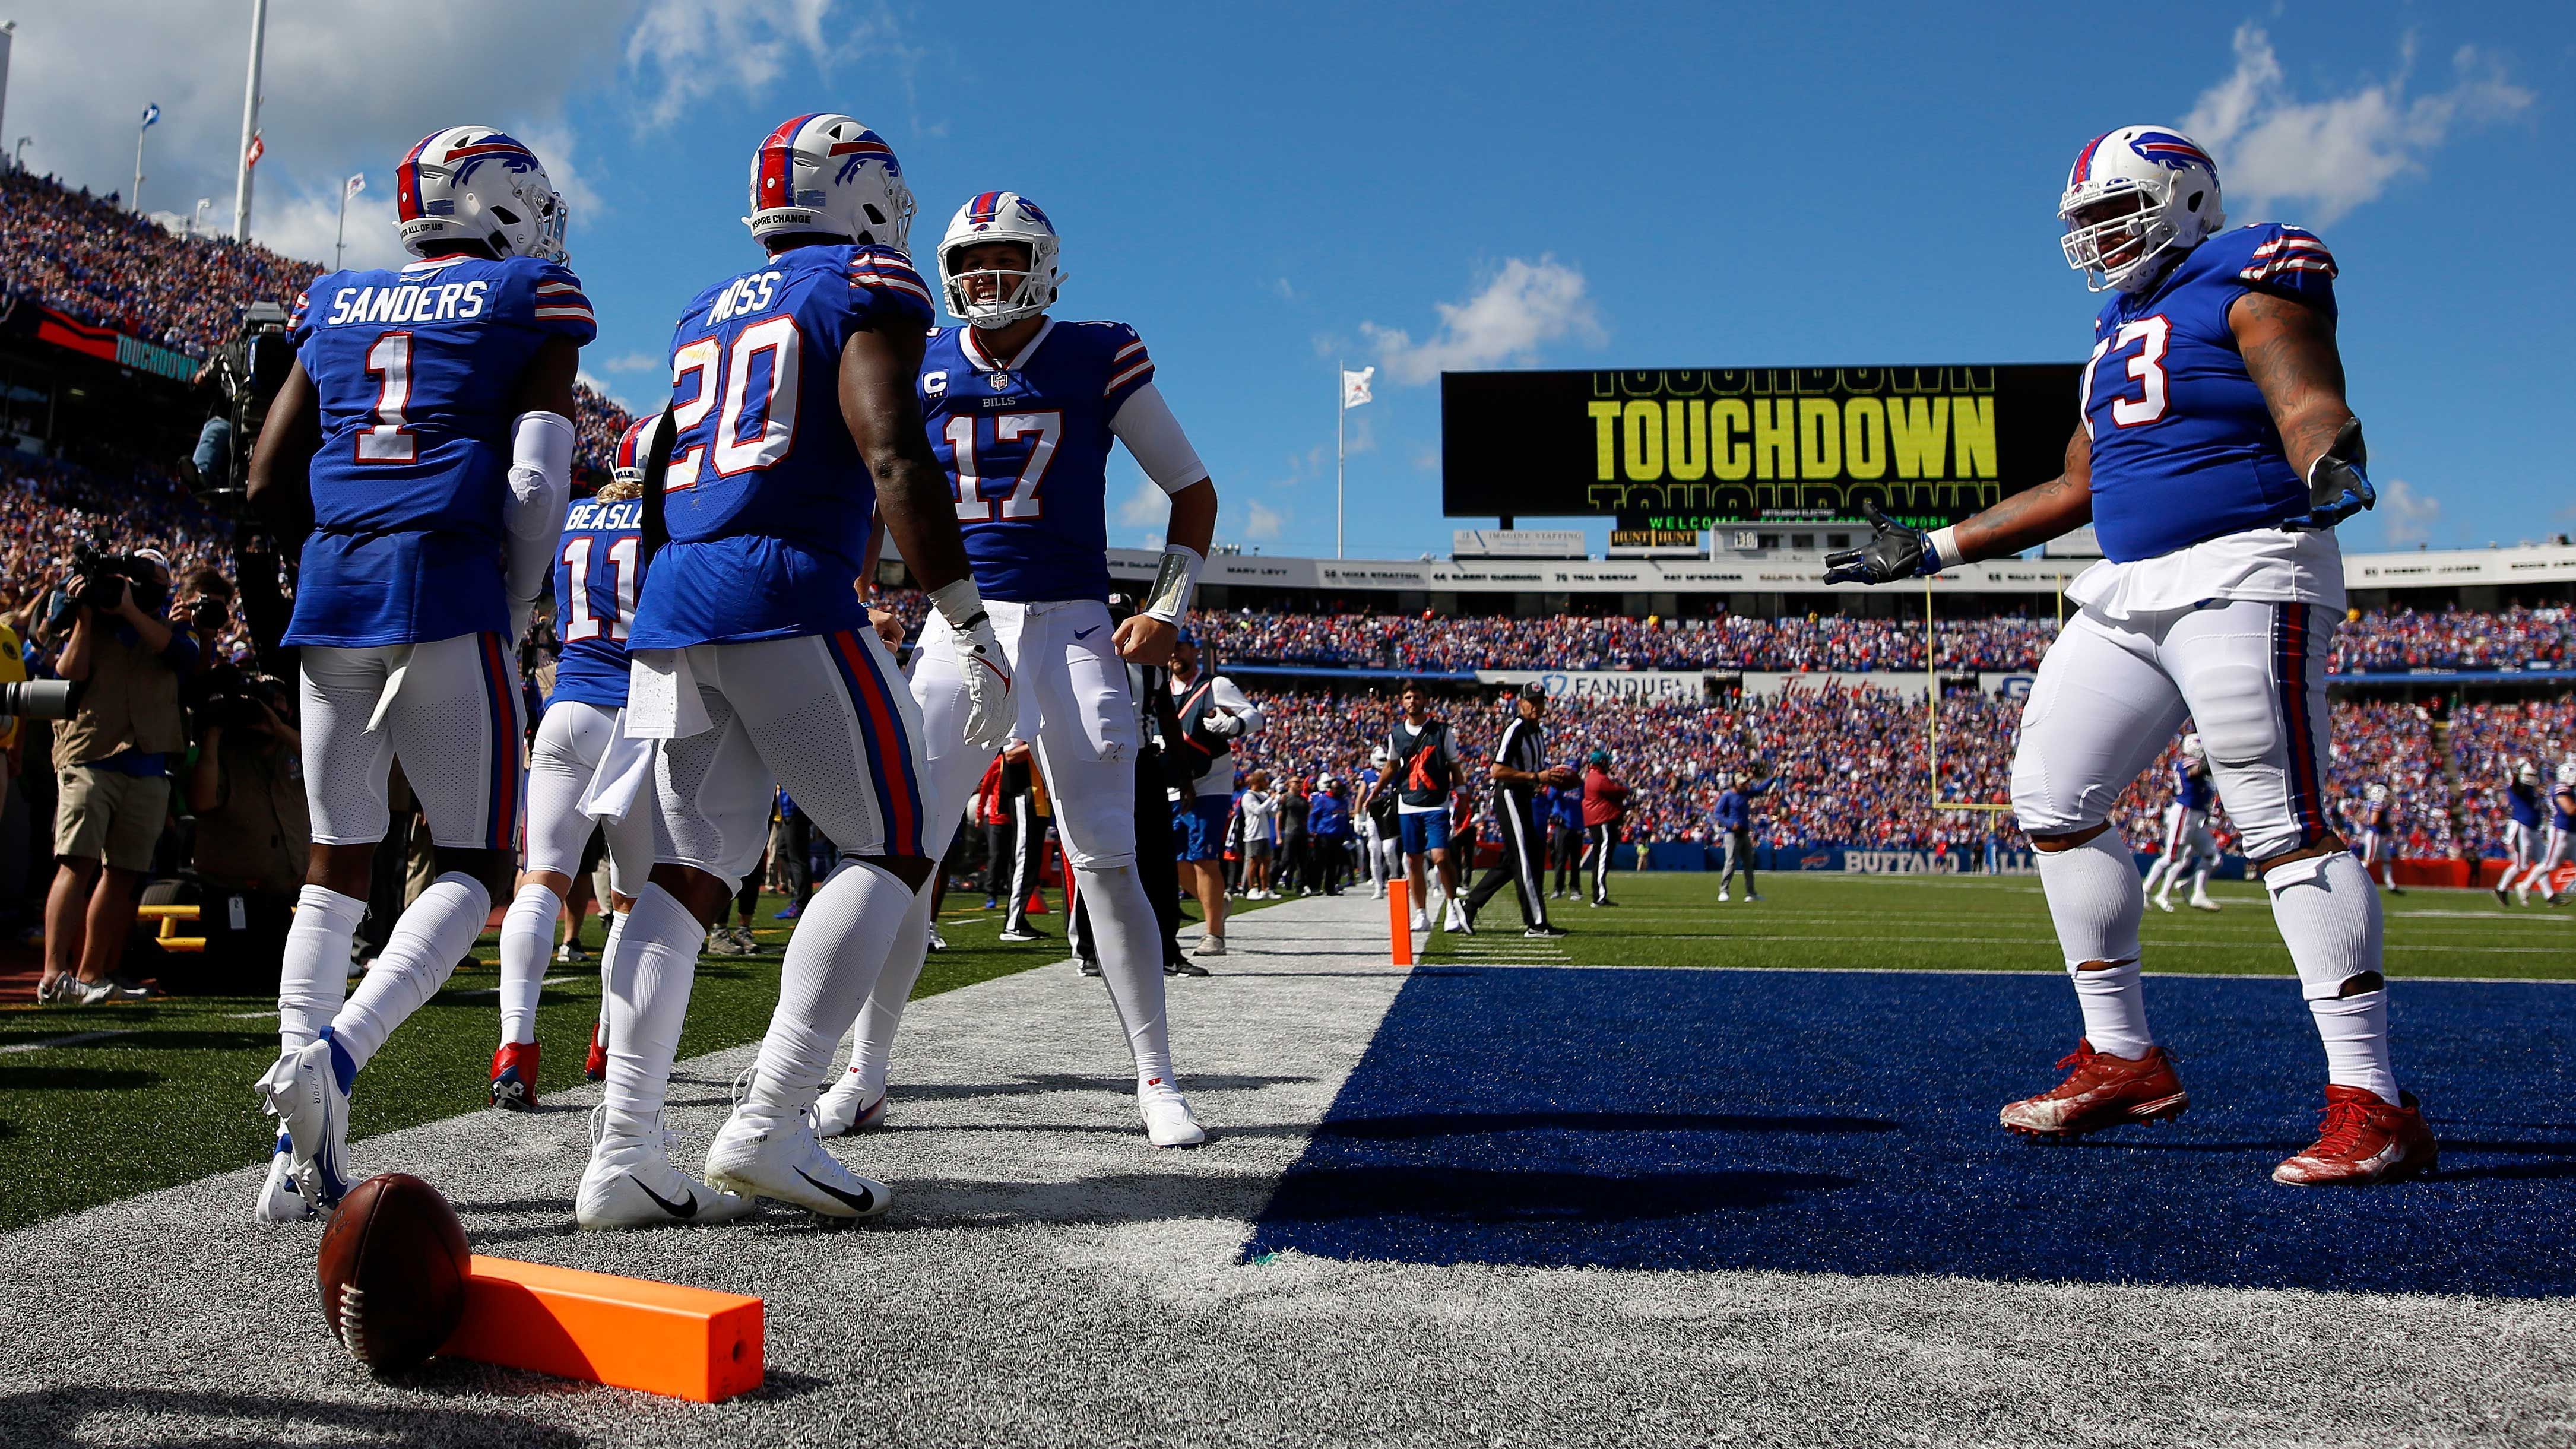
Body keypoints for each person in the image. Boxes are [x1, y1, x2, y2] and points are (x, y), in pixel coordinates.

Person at [1823, 123, 2431, 1184]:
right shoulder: (2112, 330)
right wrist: (1931, 547)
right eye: (2085, 223)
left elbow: (2302, 394)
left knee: (2279, 824)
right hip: (2129, 590)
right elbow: (2075, 490)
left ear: (2184, 199)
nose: (2096, 239)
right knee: (2051, 799)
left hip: (2244, 565)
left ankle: (2371, 1103)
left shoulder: (2246, 269)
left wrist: (2328, 457)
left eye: (2113, 213)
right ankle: (2122, 1055)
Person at [560, 113, 1022, 1229]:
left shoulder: (699, 309)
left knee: (688, 867)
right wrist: (966, 616)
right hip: (780, 585)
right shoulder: (864, 284)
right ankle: (770, 1116)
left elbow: (669, 468)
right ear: (860, 196)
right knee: (895, 841)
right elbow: (890, 447)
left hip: (676, 597)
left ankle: (622, 1151)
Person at [812, 189, 1222, 1145]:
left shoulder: (1094, 352)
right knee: (903, 857)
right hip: (963, 627)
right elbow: (877, 485)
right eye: (968, 264)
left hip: (1076, 624)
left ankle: (1156, 1079)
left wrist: (1165, 608)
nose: (982, 280)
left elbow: (1191, 490)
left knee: (1107, 857)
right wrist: (856, 584)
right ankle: (866, 1076)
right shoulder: (915, 355)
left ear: (1041, 262)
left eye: (1001, 260)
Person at [248, 126, 590, 1219]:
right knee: (476, 865)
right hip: (444, 588)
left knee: (334, 861)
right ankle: (336, 1060)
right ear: (501, 208)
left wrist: (350, 529)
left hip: (334, 594)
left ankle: (293, 1156)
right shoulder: (528, 298)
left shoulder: (332, 300)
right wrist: (515, 598)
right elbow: (535, 486)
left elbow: (264, 479)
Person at [489, 414, 661, 1112]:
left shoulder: (574, 519)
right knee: (632, 899)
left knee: (539, 882)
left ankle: (514, 1048)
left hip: (564, 708)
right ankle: (609, 1041)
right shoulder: (670, 519)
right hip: (636, 719)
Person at [34, 550, 207, 1004]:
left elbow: (182, 656)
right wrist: (87, 620)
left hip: (148, 758)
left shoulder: (170, 623)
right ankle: (54, 976)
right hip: (91, 750)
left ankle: (92, 973)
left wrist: (131, 610)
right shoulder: (90, 613)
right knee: (77, 861)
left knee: (124, 872)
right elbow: (68, 672)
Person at [1165, 635, 1263, 956]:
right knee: (1177, 862)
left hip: (1211, 780)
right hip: (1172, 782)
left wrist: (1233, 724)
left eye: (1180, 646)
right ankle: (1217, 903)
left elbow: (1255, 718)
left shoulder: (1215, 685)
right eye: (1171, 647)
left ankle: (1214, 935)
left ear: (1194, 651)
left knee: (1204, 857)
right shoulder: (1161, 688)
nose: (1175, 653)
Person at [1461, 690, 1572, 937]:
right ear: (1520, 704)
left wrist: (1545, 779)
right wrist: (1535, 777)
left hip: (1525, 796)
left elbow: (1534, 770)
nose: (1535, 706)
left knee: (1513, 860)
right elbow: (1497, 770)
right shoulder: (1516, 729)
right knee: (1525, 860)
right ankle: (1536, 923)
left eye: (1539, 702)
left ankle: (1469, 905)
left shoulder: (1537, 732)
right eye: (1530, 702)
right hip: (1509, 795)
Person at [1388, 683, 1463, 931]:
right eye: (1408, 697)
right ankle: (1421, 913)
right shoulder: (1396, 733)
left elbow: (1454, 766)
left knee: (1440, 857)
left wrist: (1462, 795)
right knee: (1413, 860)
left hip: (1436, 802)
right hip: (1408, 802)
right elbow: (1392, 766)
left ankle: (1453, 905)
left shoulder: (1441, 731)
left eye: (1416, 696)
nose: (1412, 701)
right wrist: (1374, 793)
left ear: (1425, 700)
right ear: (1402, 702)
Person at [2140, 733, 2222, 912]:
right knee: (2172, 857)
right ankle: (2145, 890)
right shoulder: (2186, 762)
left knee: (2212, 857)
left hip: (2196, 816)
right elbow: (2195, 772)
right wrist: (2217, 762)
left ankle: (2197, 892)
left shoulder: (2194, 762)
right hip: (2185, 813)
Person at [2508, 761, 2574, 906]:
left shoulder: (2570, 789)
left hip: (2572, 832)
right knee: (2550, 865)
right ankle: (2525, 885)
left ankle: (2537, 891)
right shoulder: (2560, 788)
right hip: (2562, 832)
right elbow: (2570, 809)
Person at [1710, 765, 1770, 902]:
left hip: (1744, 833)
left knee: (1749, 864)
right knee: (1731, 862)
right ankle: (1724, 890)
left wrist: (1773, 778)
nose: (1744, 785)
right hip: (1732, 833)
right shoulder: (1728, 796)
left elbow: (1761, 789)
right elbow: (1718, 813)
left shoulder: (1745, 794)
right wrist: (1731, 824)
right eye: (1741, 783)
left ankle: (1751, 893)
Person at [1580, 748, 1630, 907]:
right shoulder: (1600, 779)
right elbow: (1616, 792)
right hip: (1603, 821)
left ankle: (1599, 894)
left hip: (1598, 820)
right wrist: (1624, 789)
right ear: (1602, 763)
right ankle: (1599, 896)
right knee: (1602, 859)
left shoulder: (1592, 777)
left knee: (1601, 859)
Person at [2496, 761, 2546, 906]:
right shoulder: (2517, 788)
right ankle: (2501, 889)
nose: (2532, 777)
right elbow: (2516, 787)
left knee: (2541, 862)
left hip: (2532, 828)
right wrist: (2517, 776)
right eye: (2529, 775)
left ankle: (2549, 895)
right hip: (2521, 828)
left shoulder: (2530, 789)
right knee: (2522, 865)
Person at [2353, 781, 2402, 894]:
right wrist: (2387, 823)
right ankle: (2354, 878)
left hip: (2379, 835)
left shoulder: (2370, 803)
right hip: (2374, 834)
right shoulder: (2377, 804)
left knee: (2387, 860)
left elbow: (2361, 817)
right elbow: (2373, 821)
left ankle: (2391, 885)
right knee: (2369, 860)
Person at [1306, 775, 1350, 896]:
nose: (1340, 791)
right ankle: (1315, 887)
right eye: (1337, 788)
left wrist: (1348, 833)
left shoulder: (1343, 802)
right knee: (1320, 863)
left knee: (1333, 864)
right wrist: (1312, 830)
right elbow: (1314, 816)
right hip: (1324, 836)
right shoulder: (1323, 800)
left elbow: (1345, 818)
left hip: (1338, 836)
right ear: (1332, 789)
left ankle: (1330, 888)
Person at [1238, 769, 1278, 899]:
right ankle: (1252, 888)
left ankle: (1265, 888)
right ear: (1258, 782)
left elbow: (1271, 813)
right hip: (1253, 833)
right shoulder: (1248, 796)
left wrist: (1276, 802)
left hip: (1265, 833)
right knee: (1254, 861)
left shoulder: (1264, 796)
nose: (1267, 783)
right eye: (1264, 780)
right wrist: (1270, 800)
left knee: (1266, 861)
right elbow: (1257, 810)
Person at [1547, 772, 1585, 899]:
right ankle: (1558, 888)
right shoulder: (1559, 785)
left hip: (1577, 825)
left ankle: (1575, 888)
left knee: (1575, 860)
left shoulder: (1581, 785)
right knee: (1560, 858)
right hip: (1563, 825)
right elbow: (1550, 798)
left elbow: (1585, 801)